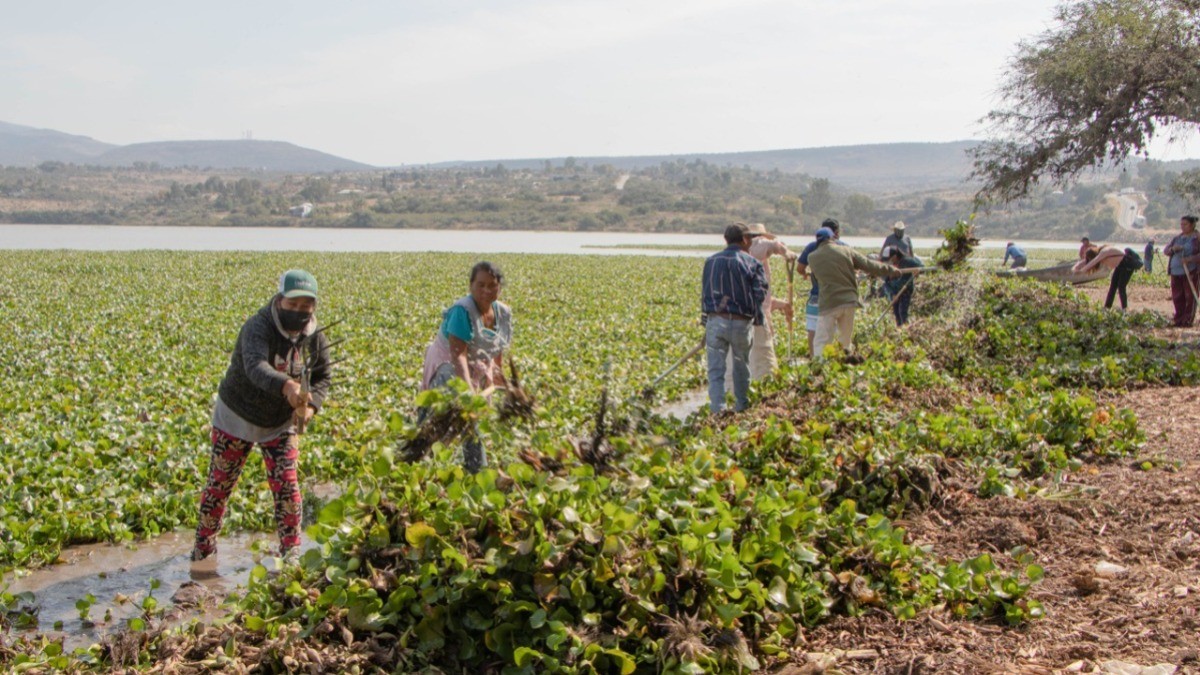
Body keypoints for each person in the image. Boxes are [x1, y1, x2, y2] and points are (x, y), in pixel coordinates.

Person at [193, 270, 332, 562]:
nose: (298, 312)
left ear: (314, 306)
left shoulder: (315, 337)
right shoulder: (258, 327)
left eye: (305, 306)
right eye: (292, 305)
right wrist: (288, 386)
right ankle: (203, 551)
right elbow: (255, 367)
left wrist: (311, 406)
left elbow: (322, 377)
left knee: (287, 484)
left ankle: (291, 553)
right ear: (279, 300)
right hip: (237, 414)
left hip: (279, 423)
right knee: (219, 485)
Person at [420, 261, 512, 473]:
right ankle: (414, 465)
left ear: (499, 287)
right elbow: (458, 355)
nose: (486, 291)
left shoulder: (503, 313)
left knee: (471, 421)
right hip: (447, 367)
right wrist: (467, 389)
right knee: (431, 421)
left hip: (475, 366)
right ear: (471, 286)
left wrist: (498, 377)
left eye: (492, 285)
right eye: (480, 285)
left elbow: (497, 347)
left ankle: (475, 470)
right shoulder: (463, 310)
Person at [701, 223, 767, 414]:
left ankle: (717, 411)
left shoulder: (710, 261)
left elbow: (705, 294)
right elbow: (759, 293)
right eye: (750, 240)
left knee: (715, 371)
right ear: (745, 240)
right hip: (740, 323)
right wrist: (756, 316)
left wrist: (706, 322)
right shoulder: (753, 263)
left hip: (716, 321)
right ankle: (742, 408)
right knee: (741, 368)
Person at [807, 227, 900, 356]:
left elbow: (816, 279)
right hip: (848, 301)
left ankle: (820, 369)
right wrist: (890, 270)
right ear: (832, 238)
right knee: (845, 341)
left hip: (829, 303)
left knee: (821, 341)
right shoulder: (846, 251)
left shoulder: (812, 258)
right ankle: (845, 364)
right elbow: (869, 265)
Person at [744, 223, 796, 379]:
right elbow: (775, 245)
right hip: (756, 317)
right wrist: (786, 252)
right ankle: (765, 384)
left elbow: (765, 298)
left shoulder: (755, 259)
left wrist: (783, 305)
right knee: (764, 358)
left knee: (752, 357)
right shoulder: (756, 244)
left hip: (748, 312)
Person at [796, 218, 844, 356]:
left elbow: (800, 268)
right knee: (834, 330)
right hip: (836, 297)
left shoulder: (812, 246)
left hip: (816, 295)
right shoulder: (843, 246)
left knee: (813, 329)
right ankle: (830, 358)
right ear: (836, 232)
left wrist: (806, 274)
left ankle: (813, 358)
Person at [1164, 215, 1200, 327]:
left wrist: (1190, 259)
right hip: (1176, 272)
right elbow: (1166, 250)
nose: (1182, 227)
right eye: (1181, 224)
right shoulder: (1177, 238)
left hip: (1190, 272)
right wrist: (1173, 249)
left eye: (1185, 224)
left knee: (1190, 296)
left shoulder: (1197, 239)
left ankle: (1187, 320)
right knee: (1177, 296)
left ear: (1192, 225)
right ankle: (1178, 319)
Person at [883, 247, 923, 326]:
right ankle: (899, 329)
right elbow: (886, 282)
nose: (889, 261)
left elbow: (921, 267)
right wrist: (892, 293)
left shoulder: (907, 261)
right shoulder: (889, 265)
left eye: (890, 258)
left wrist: (918, 271)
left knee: (902, 312)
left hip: (905, 290)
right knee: (896, 313)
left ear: (894, 256)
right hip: (894, 291)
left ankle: (905, 329)